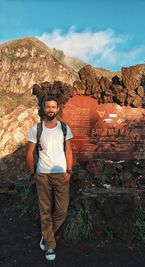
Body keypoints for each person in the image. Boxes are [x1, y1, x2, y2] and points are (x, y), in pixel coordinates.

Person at [26, 96, 73, 261]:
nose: (51, 110)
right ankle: (50, 246)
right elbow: (30, 153)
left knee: (62, 210)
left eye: (53, 107)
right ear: (43, 108)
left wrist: (69, 171)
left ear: (58, 108)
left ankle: (47, 235)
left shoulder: (65, 128)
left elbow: (68, 151)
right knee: (45, 210)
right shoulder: (36, 129)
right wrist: (34, 173)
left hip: (61, 174)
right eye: (48, 107)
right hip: (43, 175)